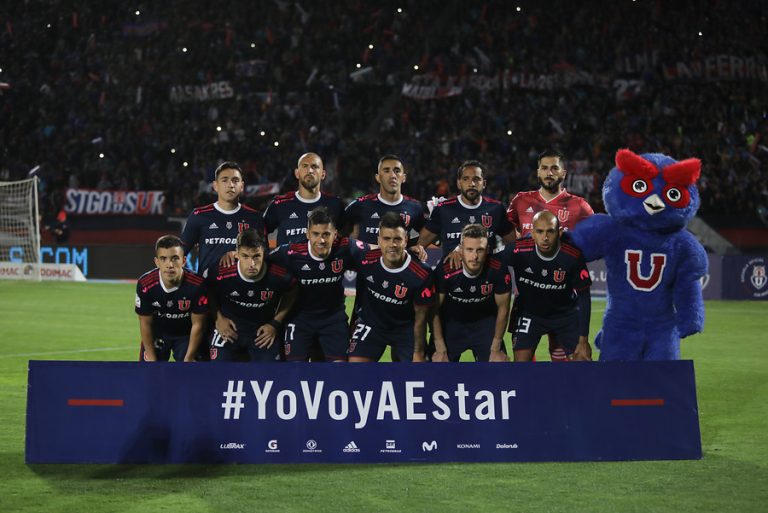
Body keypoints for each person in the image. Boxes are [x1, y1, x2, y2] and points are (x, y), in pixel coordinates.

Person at [506, 149, 594, 361]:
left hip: (562, 298)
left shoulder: (579, 206)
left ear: (564, 173)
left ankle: (562, 392)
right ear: (538, 172)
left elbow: (595, 240)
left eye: (554, 168)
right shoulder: (521, 201)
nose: (549, 172)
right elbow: (506, 233)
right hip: (527, 298)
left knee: (563, 357)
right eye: (544, 168)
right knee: (524, 361)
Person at [271, 207, 370, 361]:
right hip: (299, 320)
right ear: (307, 234)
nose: (321, 240)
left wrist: (409, 250)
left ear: (335, 234)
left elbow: (379, 251)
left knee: (339, 371)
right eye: (316, 234)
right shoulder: (291, 253)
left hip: (333, 320)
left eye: (326, 234)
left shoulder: (347, 247)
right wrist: (233, 254)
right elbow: (259, 258)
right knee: (295, 370)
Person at [497, 211, 592, 362]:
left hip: (565, 315)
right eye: (540, 232)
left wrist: (583, 340)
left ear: (560, 233)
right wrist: (459, 250)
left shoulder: (572, 256)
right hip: (529, 314)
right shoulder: (518, 250)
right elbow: (489, 261)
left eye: (550, 231)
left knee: (582, 360)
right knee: (519, 369)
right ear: (532, 233)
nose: (545, 238)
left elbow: (584, 297)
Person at [347, 212, 435, 362]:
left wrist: (418, 351)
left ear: (406, 240)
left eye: (397, 239)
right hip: (371, 325)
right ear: (379, 240)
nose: (392, 245)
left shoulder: (422, 273)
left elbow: (421, 317)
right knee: (355, 370)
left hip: (405, 329)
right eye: (387, 239)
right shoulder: (365, 258)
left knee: (417, 371)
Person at [205, 229, 296, 362]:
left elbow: (293, 290)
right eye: (245, 256)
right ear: (236, 254)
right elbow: (208, 291)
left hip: (262, 333)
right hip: (229, 329)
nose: (251, 264)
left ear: (264, 253)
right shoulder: (222, 273)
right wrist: (218, 318)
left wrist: (275, 323)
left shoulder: (279, 274)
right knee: (218, 373)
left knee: (270, 375)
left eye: (256, 256)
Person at [432, 224, 512, 362]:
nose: (474, 256)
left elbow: (503, 308)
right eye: (469, 249)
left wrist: (496, 347)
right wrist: (439, 347)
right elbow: (433, 310)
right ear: (461, 249)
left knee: (499, 365)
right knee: (437, 367)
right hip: (451, 324)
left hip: (484, 324)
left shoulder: (497, 268)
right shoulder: (446, 269)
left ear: (487, 250)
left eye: (479, 250)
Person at [418, 160, 515, 260]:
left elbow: (514, 245)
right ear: (459, 183)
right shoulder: (443, 209)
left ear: (484, 183)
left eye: (476, 179)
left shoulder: (496, 209)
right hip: (451, 273)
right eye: (465, 179)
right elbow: (419, 246)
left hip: (486, 273)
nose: (471, 183)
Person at [180, 161, 266, 274]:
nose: (230, 185)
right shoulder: (199, 215)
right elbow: (179, 254)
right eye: (224, 180)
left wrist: (236, 254)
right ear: (215, 186)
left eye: (235, 181)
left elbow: (265, 255)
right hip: (208, 289)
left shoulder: (255, 218)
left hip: (244, 289)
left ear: (242, 186)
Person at [134, 235, 209, 362]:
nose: (170, 265)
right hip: (157, 336)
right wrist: (151, 358)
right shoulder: (145, 284)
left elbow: (198, 324)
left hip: (186, 336)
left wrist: (189, 357)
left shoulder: (197, 285)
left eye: (175, 258)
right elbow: (145, 322)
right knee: (149, 374)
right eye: (163, 259)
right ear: (156, 262)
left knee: (192, 374)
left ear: (184, 260)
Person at [263, 152, 345, 246]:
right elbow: (260, 232)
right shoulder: (279, 204)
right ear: (297, 173)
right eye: (305, 166)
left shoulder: (335, 204)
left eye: (314, 167)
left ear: (323, 174)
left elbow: (346, 235)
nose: (309, 170)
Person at [344, 154, 426, 245]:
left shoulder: (415, 208)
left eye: (397, 171)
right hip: (366, 259)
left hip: (397, 258)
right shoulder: (360, 204)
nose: (392, 175)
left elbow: (427, 235)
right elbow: (338, 231)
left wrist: (413, 247)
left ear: (403, 178)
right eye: (387, 171)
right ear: (378, 177)